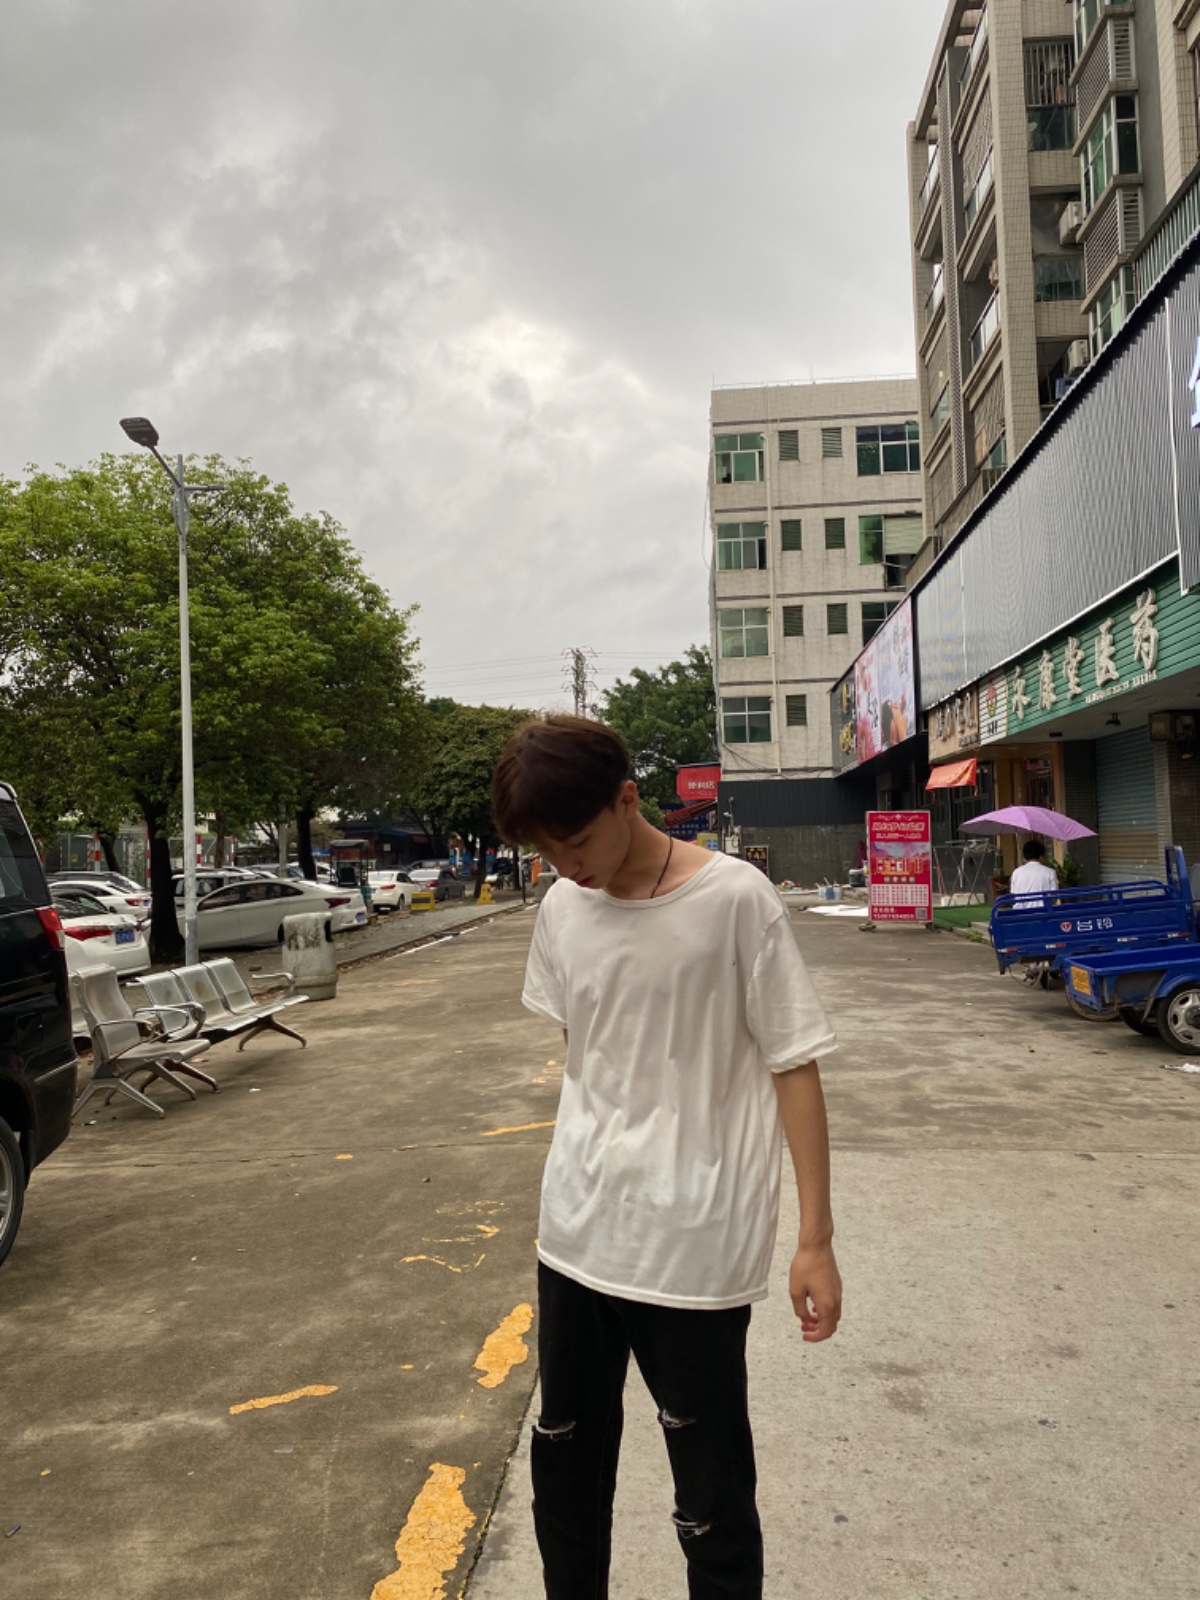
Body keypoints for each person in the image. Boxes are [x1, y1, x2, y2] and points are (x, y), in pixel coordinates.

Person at [491, 714, 841, 1600]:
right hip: (577, 1234)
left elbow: (793, 1064)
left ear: (626, 799)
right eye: (545, 851)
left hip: (694, 1243)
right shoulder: (563, 907)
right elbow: (587, 1052)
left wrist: (815, 1239)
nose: (565, 865)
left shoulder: (734, 899)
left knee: (711, 1493)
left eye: (574, 841)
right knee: (565, 1470)